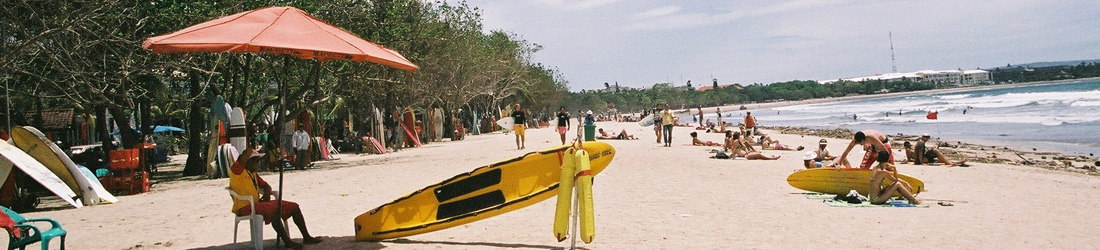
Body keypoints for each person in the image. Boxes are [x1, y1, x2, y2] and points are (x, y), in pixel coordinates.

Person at [229, 149, 322, 249]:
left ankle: (306, 237)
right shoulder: (237, 170)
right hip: (244, 207)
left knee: (294, 207)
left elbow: (266, 186)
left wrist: (267, 193)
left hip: (257, 204)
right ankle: (287, 241)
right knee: (274, 209)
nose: (259, 164)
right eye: (256, 161)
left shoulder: (253, 174)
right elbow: (244, 156)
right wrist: (250, 149)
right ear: (248, 162)